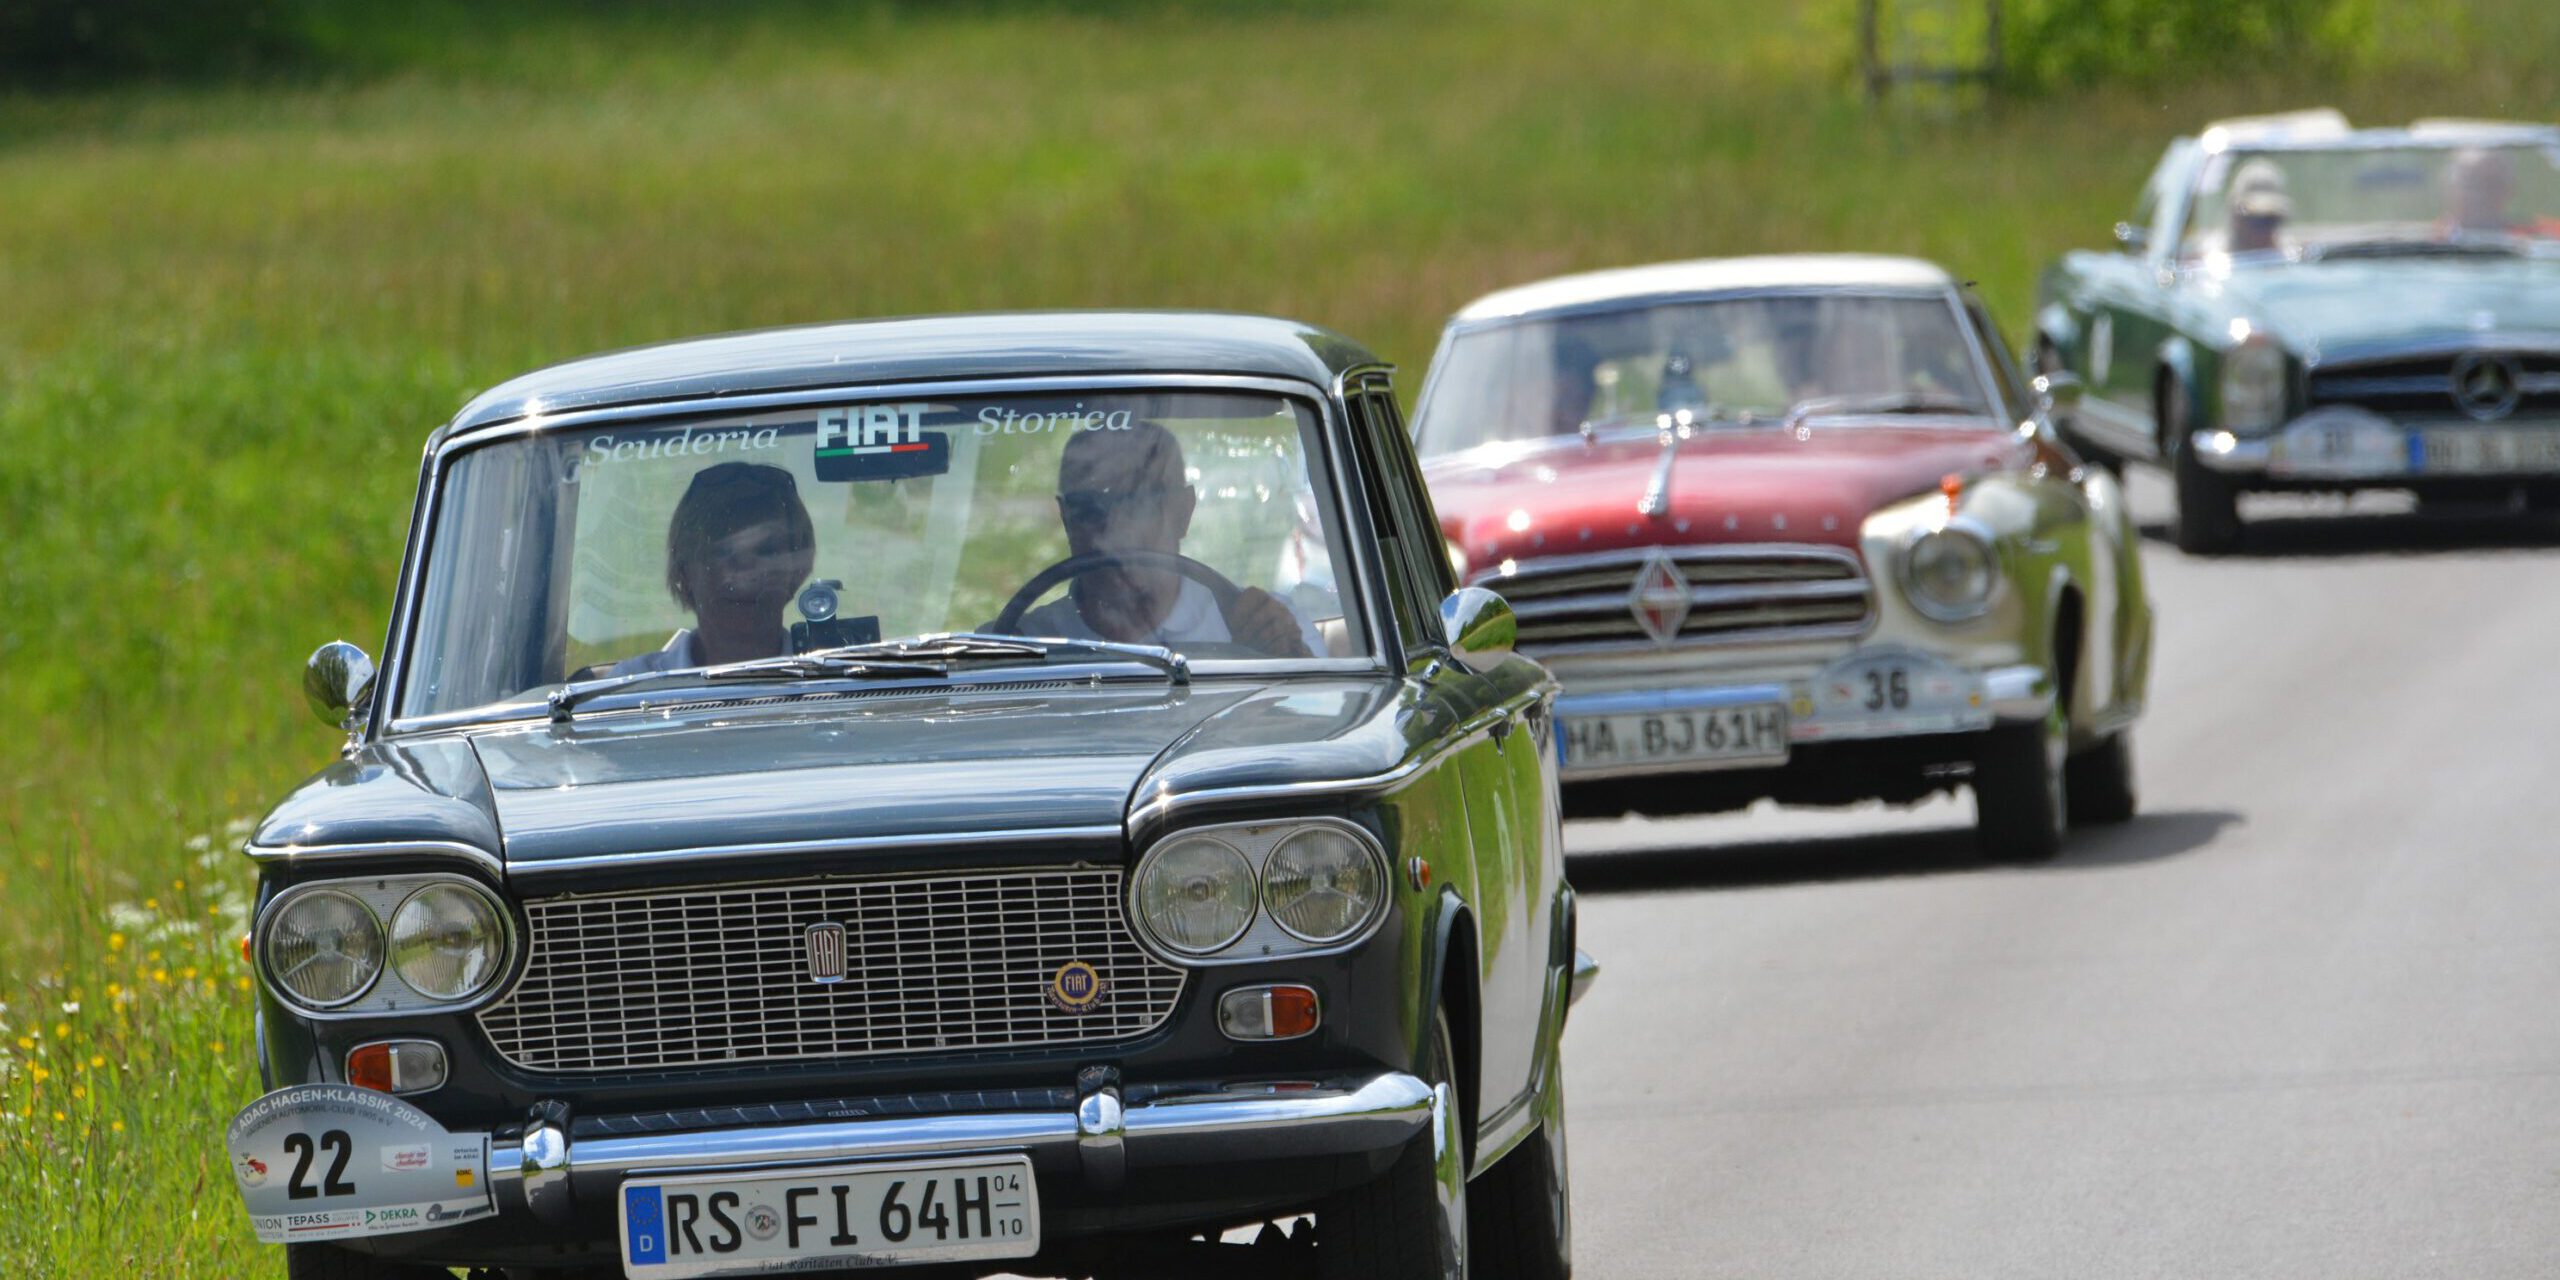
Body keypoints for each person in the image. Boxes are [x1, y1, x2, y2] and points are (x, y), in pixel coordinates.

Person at [1017, 422, 1321, 658]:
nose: (1115, 530)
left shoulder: (1263, 626)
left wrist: (1279, 654)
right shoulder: (1018, 645)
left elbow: (1315, 712)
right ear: (1067, 518)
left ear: (1182, 511)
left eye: (1139, 504)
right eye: (1091, 508)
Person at [607, 461, 817, 675]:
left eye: (766, 551)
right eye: (722, 552)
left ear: (796, 570)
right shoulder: (631, 684)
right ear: (684, 571)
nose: (745, 573)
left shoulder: (831, 678)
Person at [2225, 158, 2291, 255]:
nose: (2263, 233)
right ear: (2236, 220)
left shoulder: (2288, 255)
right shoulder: (2218, 259)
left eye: (2270, 220)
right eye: (2255, 221)